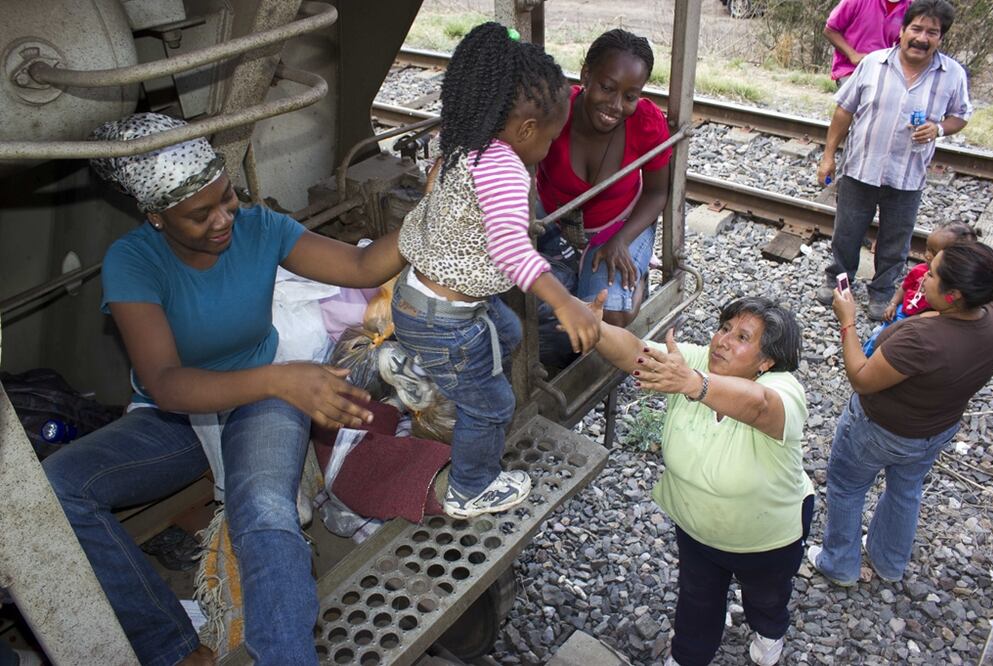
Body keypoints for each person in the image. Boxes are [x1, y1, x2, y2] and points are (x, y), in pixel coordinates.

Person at [43, 112, 406, 666]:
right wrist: (283, 377)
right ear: (156, 216)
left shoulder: (259, 228)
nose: (222, 221)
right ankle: (172, 648)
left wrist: (433, 222)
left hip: (261, 403)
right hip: (180, 414)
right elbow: (166, 384)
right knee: (60, 487)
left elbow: (359, 264)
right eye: (199, 214)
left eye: (227, 199)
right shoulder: (133, 262)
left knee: (263, 513)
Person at [391, 23, 600, 521]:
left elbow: (442, 197)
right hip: (447, 321)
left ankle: (419, 369)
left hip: (414, 299)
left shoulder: (462, 141)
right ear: (527, 130)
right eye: (549, 140)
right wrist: (563, 300)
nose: (548, 151)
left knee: (506, 331)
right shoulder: (506, 167)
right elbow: (511, 251)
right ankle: (470, 487)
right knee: (493, 406)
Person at [588, 295, 813, 666]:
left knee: (766, 598)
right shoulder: (693, 363)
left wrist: (693, 385)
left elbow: (760, 405)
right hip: (697, 528)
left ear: (767, 361)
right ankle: (687, 658)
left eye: (742, 337)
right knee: (697, 598)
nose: (722, 340)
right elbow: (635, 353)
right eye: (724, 328)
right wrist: (596, 329)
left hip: (766, 538)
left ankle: (770, 631)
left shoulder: (784, 388)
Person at [810, 241, 993, 586]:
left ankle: (839, 565)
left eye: (932, 274)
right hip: (937, 428)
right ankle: (889, 562)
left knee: (847, 489)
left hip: (880, 430)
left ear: (954, 294)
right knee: (906, 489)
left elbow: (862, 379)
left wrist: (847, 322)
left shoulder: (921, 339)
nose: (923, 276)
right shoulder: (992, 317)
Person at [815, 0, 972, 320]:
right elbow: (844, 111)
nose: (922, 38)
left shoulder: (951, 74)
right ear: (901, 31)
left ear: (940, 38)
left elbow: (961, 116)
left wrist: (939, 128)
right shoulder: (872, 63)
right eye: (915, 28)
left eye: (932, 32)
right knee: (846, 233)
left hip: (907, 175)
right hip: (861, 167)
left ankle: (882, 291)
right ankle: (839, 283)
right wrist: (828, 156)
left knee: (895, 241)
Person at [535, 29, 672, 329]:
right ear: (586, 75)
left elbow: (657, 193)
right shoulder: (557, 110)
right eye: (607, 87)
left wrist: (621, 241)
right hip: (554, 220)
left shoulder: (646, 123)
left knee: (609, 314)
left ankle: (638, 280)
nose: (615, 105)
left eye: (630, 96)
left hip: (619, 225)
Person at [862, 221, 976, 355]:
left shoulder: (949, 287)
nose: (927, 255)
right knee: (879, 338)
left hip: (918, 325)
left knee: (894, 347)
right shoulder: (918, 270)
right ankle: (867, 356)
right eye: (927, 248)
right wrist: (893, 304)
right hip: (901, 312)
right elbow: (904, 288)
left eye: (934, 252)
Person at [824, 0, 912, 87]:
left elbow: (903, 45)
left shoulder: (910, 7)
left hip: (883, 72)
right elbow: (830, 31)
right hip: (851, 70)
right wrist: (853, 55)